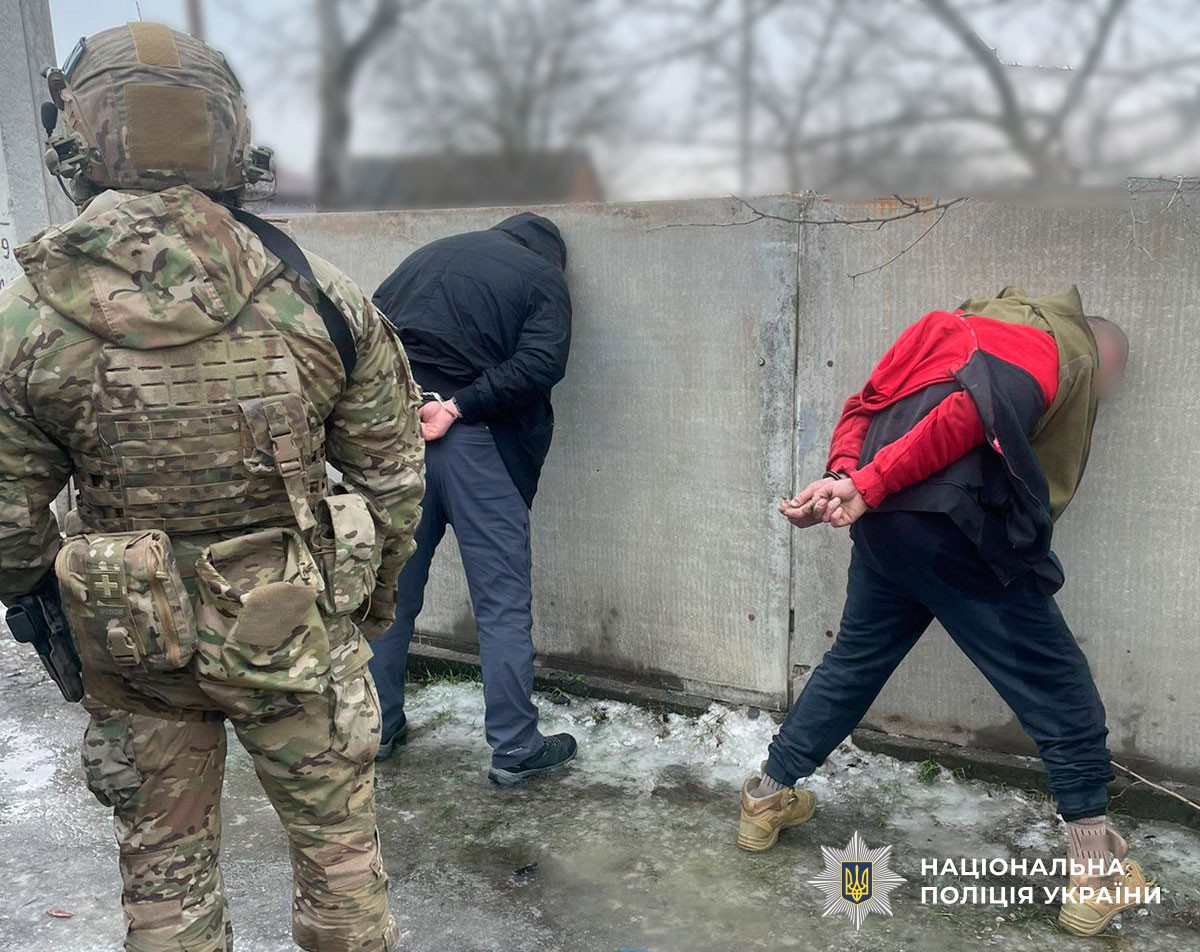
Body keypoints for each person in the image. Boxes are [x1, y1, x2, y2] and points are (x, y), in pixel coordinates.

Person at [0, 23, 423, 952]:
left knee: (166, 884)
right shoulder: (319, 296)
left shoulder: (27, 318)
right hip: (295, 629)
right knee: (341, 867)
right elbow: (392, 478)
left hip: (131, 645)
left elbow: (8, 524)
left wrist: (55, 606)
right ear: (227, 133)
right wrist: (365, 604)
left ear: (76, 139)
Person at [737, 287, 1144, 937]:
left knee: (855, 661)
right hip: (950, 526)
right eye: (1110, 383)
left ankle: (765, 796)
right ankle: (1094, 876)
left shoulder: (943, 326)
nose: (1100, 399)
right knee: (1059, 687)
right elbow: (967, 416)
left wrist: (848, 475)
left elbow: (861, 407)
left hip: (886, 527)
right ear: (1103, 357)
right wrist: (863, 485)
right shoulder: (1050, 351)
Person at [369, 213, 575, 785]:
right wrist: (458, 406)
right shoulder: (541, 277)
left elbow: (364, 335)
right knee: (500, 604)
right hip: (475, 445)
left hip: (397, 439)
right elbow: (541, 363)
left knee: (390, 592)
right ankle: (515, 748)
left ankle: (377, 728)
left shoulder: (426, 255)